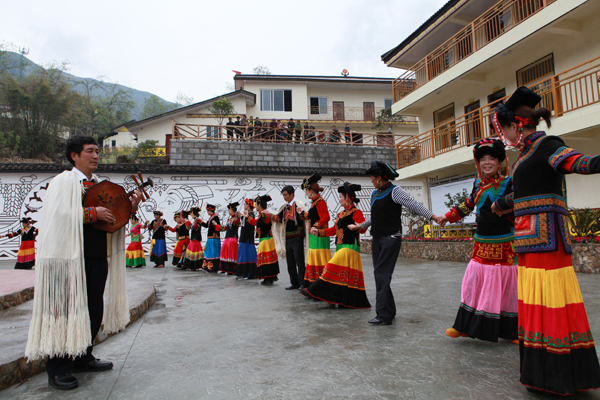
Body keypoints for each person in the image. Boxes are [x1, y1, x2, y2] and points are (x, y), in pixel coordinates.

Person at [490, 86, 600, 395]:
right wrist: (501, 204)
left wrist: (595, 162)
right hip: (527, 241)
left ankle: (560, 374)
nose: (506, 138)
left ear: (518, 124)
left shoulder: (548, 145)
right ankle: (542, 373)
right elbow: (524, 191)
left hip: (548, 239)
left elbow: (577, 162)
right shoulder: (524, 155)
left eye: (506, 130)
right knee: (535, 302)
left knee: (551, 301)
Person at [26, 135, 141, 390]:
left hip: (96, 255)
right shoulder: (62, 183)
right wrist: (90, 213)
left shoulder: (99, 185)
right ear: (74, 156)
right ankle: (57, 369)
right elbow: (56, 217)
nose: (96, 155)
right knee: (66, 311)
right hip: (69, 259)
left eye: (97, 151)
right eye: (90, 151)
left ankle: (83, 356)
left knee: (92, 309)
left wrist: (128, 208)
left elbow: (111, 219)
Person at [439, 139, 517, 343]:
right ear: (478, 163)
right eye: (483, 159)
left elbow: (519, 207)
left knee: (508, 287)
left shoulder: (509, 183)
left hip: (505, 244)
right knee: (474, 284)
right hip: (481, 244)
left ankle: (515, 331)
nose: (487, 163)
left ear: (500, 162)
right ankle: (464, 326)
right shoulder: (477, 184)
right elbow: (466, 206)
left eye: (492, 158)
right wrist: (446, 217)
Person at [350, 161, 440, 325]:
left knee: (381, 275)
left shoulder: (395, 191)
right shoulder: (375, 194)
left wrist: (432, 217)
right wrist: (361, 226)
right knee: (380, 276)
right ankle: (389, 311)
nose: (370, 181)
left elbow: (413, 205)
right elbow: (375, 217)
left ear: (379, 178)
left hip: (390, 238)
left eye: (372, 177)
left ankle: (383, 315)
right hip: (377, 238)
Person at [302, 182, 371, 308]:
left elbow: (363, 227)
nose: (339, 199)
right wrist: (318, 232)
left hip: (350, 248)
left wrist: (357, 227)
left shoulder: (356, 212)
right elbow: (333, 230)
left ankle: (314, 291)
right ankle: (337, 299)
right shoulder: (341, 214)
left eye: (341, 197)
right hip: (341, 248)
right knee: (342, 276)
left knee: (329, 267)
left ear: (348, 198)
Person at [264, 185, 308, 290]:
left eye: (286, 195)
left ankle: (302, 282)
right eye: (283, 195)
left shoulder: (299, 205)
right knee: (290, 261)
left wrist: (301, 213)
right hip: (288, 237)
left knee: (299, 260)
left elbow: (304, 218)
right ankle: (294, 282)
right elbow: (279, 219)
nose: (284, 197)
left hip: (298, 237)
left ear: (292, 194)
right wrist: (269, 215)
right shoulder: (284, 208)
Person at [300, 174, 331, 288]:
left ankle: (319, 285)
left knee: (318, 257)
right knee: (314, 257)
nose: (306, 193)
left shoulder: (320, 202)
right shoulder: (315, 202)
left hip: (319, 235)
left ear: (311, 191)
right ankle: (313, 284)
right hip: (315, 235)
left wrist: (316, 227)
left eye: (307, 190)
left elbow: (326, 217)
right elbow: (313, 216)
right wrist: (302, 214)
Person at [247, 195, 280, 285]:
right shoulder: (263, 214)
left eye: (256, 205)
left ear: (259, 205)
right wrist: (248, 218)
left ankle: (268, 277)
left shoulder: (264, 214)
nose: (255, 207)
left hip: (266, 240)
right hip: (266, 239)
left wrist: (248, 218)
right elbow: (256, 222)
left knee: (266, 259)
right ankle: (269, 277)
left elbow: (258, 222)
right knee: (268, 258)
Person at [215, 202, 240, 275]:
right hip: (227, 238)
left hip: (232, 238)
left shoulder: (235, 219)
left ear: (232, 210)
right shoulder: (229, 220)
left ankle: (231, 269)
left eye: (229, 210)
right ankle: (224, 269)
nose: (228, 211)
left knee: (231, 254)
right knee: (224, 253)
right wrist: (216, 225)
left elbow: (237, 221)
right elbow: (224, 228)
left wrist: (236, 216)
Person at [236, 198, 258, 279]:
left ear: (248, 205)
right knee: (244, 255)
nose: (244, 205)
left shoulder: (250, 214)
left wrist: (241, 216)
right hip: (245, 237)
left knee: (245, 255)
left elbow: (248, 223)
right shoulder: (248, 214)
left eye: (245, 204)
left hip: (247, 238)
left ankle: (246, 273)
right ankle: (244, 272)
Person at [201, 204, 221, 272]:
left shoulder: (215, 217)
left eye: (208, 211)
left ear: (210, 210)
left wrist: (215, 224)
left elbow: (218, 227)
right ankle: (209, 266)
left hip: (213, 237)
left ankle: (213, 266)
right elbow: (206, 225)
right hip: (210, 237)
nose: (207, 212)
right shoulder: (211, 217)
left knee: (213, 251)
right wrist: (199, 221)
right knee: (209, 251)